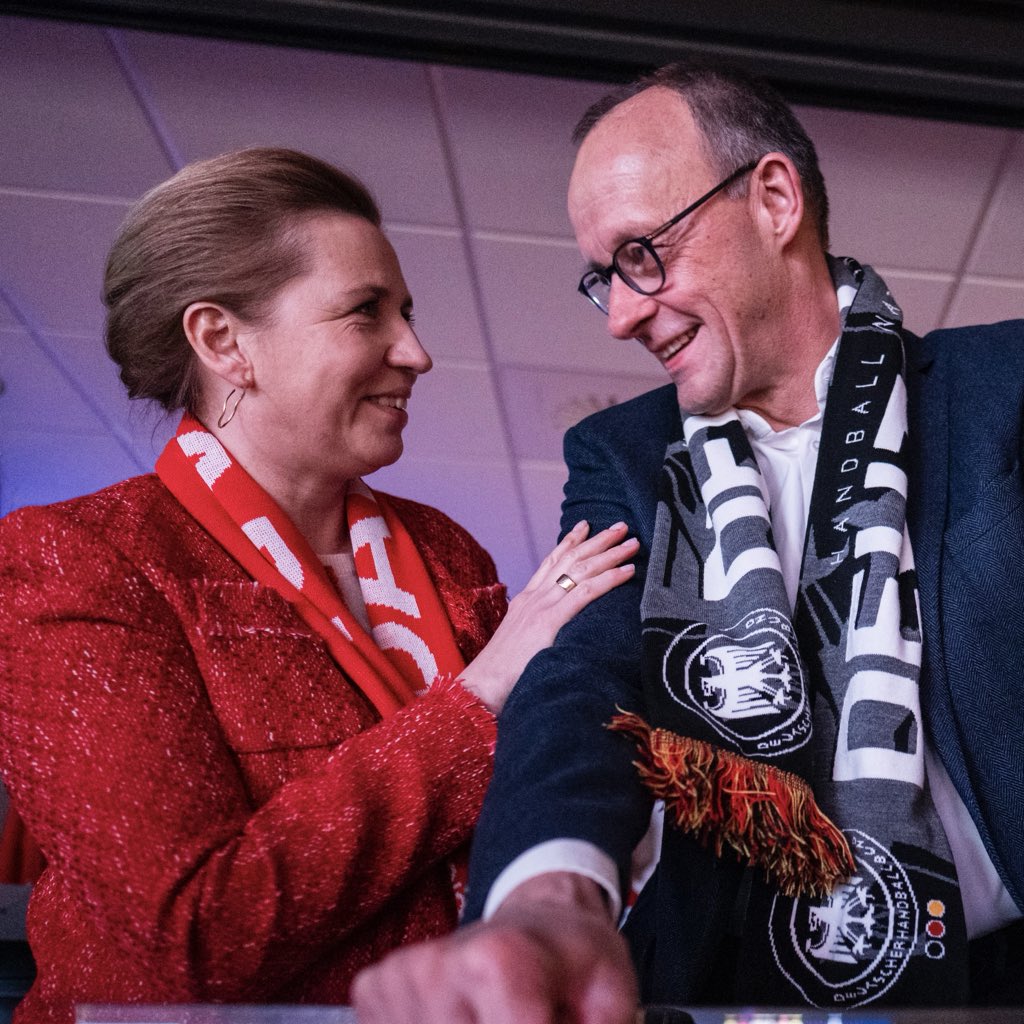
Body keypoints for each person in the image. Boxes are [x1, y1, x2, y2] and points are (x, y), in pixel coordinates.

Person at [351, 62, 1024, 1022]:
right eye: (604, 278)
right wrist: (549, 897)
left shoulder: (1007, 385)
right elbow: (583, 683)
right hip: (728, 990)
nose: (622, 314)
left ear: (775, 199)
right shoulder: (623, 455)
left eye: (642, 254)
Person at [0, 147, 639, 1024]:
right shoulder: (78, 559)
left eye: (406, 312)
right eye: (364, 312)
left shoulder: (446, 555)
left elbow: (538, 806)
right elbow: (192, 937)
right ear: (224, 341)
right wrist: (480, 694)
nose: (414, 351)